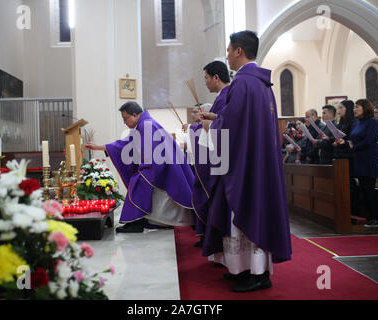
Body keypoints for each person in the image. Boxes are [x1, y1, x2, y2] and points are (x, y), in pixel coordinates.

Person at [200, 30, 292, 292]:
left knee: (246, 213)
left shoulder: (243, 83)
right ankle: (246, 269)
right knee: (254, 212)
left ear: (239, 51)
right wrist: (216, 120)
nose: (227, 56)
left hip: (245, 166)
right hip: (256, 162)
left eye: (229, 50)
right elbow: (238, 121)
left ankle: (256, 273)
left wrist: (212, 125)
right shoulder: (261, 84)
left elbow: (231, 126)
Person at [85, 102, 195, 233]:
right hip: (163, 165)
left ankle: (136, 223)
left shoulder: (145, 125)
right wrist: (98, 147)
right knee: (138, 179)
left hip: (164, 168)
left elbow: (154, 154)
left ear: (135, 115)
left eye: (125, 118)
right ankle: (137, 221)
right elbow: (127, 144)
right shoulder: (143, 124)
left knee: (138, 181)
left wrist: (146, 169)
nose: (124, 122)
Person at [184, 60, 231, 248]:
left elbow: (226, 127)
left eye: (206, 78)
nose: (205, 82)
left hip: (224, 159)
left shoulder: (226, 94)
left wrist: (209, 124)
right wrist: (213, 119)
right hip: (220, 157)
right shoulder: (223, 95)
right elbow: (223, 120)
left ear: (216, 77)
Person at [337, 99, 378, 227]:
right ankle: (370, 217)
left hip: (368, 159)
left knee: (369, 189)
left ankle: (376, 219)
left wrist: (352, 146)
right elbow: (352, 140)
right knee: (364, 189)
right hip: (359, 159)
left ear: (365, 108)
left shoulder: (371, 122)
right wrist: (345, 143)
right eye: (354, 107)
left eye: (357, 107)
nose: (354, 109)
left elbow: (369, 140)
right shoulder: (358, 123)